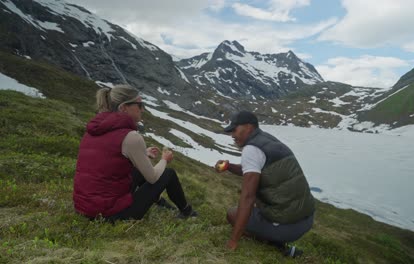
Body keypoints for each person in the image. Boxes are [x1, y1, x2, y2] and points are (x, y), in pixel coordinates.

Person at [73, 84, 197, 222]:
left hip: (83, 209)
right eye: (139, 105)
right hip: (111, 215)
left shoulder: (92, 131)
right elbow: (152, 178)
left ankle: (161, 204)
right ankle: (187, 212)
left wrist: (142, 153)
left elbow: (108, 158)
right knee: (168, 173)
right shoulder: (131, 137)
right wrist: (164, 160)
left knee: (137, 171)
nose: (142, 109)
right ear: (124, 108)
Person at [215, 111, 315, 257]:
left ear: (248, 127)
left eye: (234, 130)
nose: (232, 135)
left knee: (232, 214)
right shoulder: (267, 139)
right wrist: (229, 167)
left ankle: (277, 245)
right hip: (306, 218)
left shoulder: (251, 149)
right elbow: (252, 169)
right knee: (258, 202)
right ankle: (278, 239)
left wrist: (233, 241)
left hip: (289, 226)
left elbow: (247, 197)